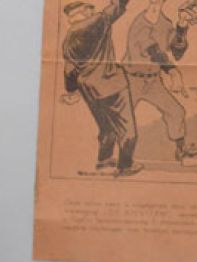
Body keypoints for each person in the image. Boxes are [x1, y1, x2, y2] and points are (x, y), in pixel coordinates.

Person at [61, 0, 141, 176]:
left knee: (106, 127)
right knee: (128, 130)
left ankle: (104, 161)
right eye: (86, 9)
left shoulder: (68, 39)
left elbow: (69, 69)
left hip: (89, 89)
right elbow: (116, 7)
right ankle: (126, 166)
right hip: (112, 85)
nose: (91, 11)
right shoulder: (93, 23)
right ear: (77, 15)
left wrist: (71, 90)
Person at [123, 0, 197, 162]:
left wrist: (182, 25)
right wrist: (172, 71)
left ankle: (181, 150)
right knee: (122, 119)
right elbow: (152, 49)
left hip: (153, 81)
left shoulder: (165, 23)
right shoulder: (139, 23)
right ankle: (108, 158)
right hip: (130, 80)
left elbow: (176, 50)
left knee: (176, 112)